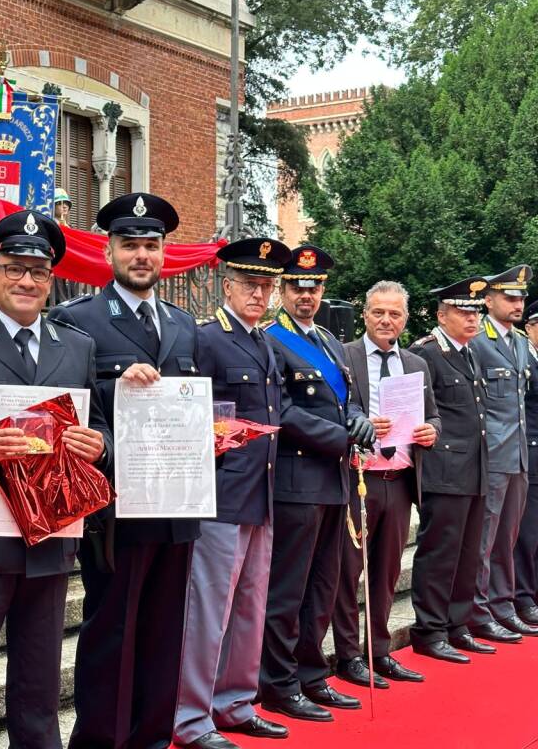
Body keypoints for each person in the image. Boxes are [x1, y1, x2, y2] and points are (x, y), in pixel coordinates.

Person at [0, 210, 112, 749]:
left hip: (53, 537)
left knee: (39, 679)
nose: (26, 281)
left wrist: (99, 445)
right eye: (14, 268)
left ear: (52, 279)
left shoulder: (75, 347)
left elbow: (97, 423)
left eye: (38, 271)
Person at [48, 192, 202, 749]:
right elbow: (63, 408)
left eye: (152, 246)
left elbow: (193, 405)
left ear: (164, 253)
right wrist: (116, 389)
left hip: (178, 504)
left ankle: (152, 739)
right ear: (109, 250)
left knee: (166, 636)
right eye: (130, 245)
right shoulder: (78, 321)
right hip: (115, 507)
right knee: (112, 631)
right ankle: (99, 742)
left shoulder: (185, 326)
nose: (142, 255)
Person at [172, 237, 291, 749]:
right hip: (219, 494)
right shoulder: (206, 339)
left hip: (259, 493)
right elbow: (186, 411)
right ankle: (191, 717)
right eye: (250, 284)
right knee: (208, 612)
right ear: (228, 285)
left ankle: (236, 703)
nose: (259, 293)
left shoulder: (266, 342)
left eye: (267, 285)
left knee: (250, 608)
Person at [259, 245, 375, 722]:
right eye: (296, 287)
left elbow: (344, 398)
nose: (306, 295)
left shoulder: (328, 339)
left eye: (314, 287)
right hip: (296, 479)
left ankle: (311, 673)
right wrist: (340, 435)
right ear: (282, 291)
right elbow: (281, 411)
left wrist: (361, 420)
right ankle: (279, 683)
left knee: (323, 586)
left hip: (335, 480)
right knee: (288, 590)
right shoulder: (271, 339)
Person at [332, 281, 439, 689]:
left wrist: (432, 430)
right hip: (358, 477)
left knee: (387, 571)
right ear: (365, 314)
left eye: (394, 314)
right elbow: (336, 409)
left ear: (405, 320)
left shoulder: (416, 364)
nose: (386, 320)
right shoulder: (344, 356)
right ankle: (347, 656)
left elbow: (434, 416)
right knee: (347, 572)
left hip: (399, 480)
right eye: (378, 312)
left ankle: (378, 651)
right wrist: (356, 424)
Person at [408, 277, 492, 663]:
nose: (472, 317)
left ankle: (457, 624)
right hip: (444, 470)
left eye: (475, 310)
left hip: (473, 469)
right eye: (463, 310)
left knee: (467, 554)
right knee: (440, 553)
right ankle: (430, 629)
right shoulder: (427, 353)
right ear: (442, 315)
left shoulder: (469, 351)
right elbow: (420, 413)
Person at [468, 264, 538, 642]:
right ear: (489, 299)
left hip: (519, 454)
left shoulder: (520, 343)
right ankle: (481, 611)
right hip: (492, 454)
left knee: (508, 537)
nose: (518, 303)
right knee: (484, 540)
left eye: (521, 298)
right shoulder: (479, 341)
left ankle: (504, 604)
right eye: (510, 297)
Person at [514, 301, 538, 624]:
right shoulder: (523, 360)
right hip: (529, 451)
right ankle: (524, 595)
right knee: (527, 532)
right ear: (530, 327)